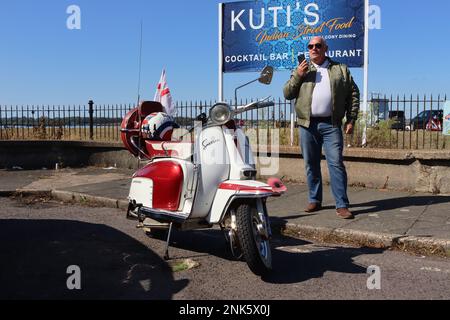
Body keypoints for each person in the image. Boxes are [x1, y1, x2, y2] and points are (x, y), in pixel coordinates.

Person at [283, 36, 360, 219]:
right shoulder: (302, 69)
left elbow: (353, 94)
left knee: (336, 163)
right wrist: (298, 76)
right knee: (311, 164)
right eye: (310, 46)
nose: (314, 48)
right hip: (307, 125)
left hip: (331, 124)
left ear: (326, 48)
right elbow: (287, 93)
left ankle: (341, 205)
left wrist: (351, 119)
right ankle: (314, 200)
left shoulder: (340, 69)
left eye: (318, 45)